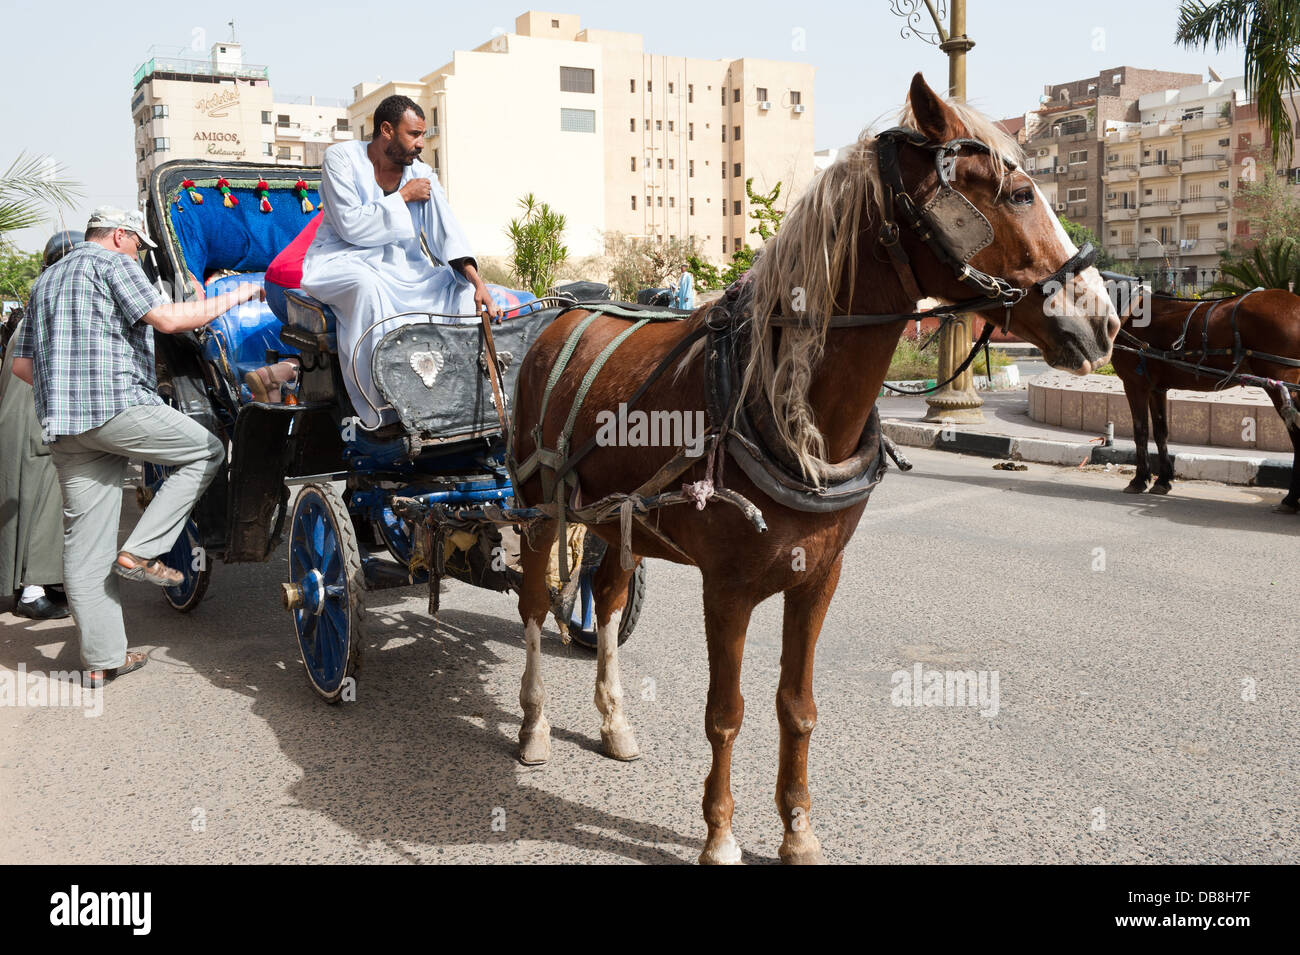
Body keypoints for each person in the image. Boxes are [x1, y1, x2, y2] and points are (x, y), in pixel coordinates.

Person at [10, 207, 263, 686]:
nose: (139, 255)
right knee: (205, 451)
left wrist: (65, 390)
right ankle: (143, 551)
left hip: (65, 427)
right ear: (121, 236)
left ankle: (103, 662)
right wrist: (240, 293)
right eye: (139, 246)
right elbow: (168, 320)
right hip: (117, 407)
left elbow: (24, 369)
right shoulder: (111, 263)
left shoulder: (44, 283)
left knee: (84, 548)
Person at [297, 94, 497, 430]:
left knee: (459, 291)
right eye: (414, 134)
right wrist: (402, 197)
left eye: (422, 135)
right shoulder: (341, 159)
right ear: (386, 130)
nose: (421, 143)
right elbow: (350, 226)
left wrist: (477, 282)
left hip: (406, 269)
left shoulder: (422, 173)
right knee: (367, 288)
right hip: (344, 260)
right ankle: (385, 406)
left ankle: (460, 400)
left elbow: (447, 232)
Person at [0, 230, 82, 619]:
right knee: (43, 508)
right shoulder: (55, 306)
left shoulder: (37, 303)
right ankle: (33, 593)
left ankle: (42, 584)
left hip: (19, 418)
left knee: (30, 506)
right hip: (35, 419)